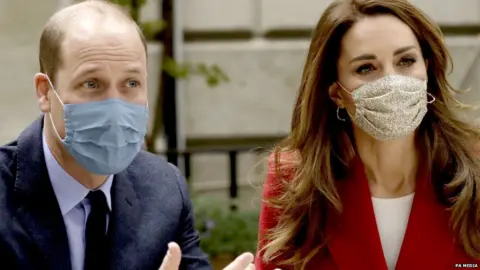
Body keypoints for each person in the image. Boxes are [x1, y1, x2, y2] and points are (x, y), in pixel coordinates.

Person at [0, 1, 255, 270]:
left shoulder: (163, 190)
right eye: (91, 84)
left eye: (131, 83)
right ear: (44, 92)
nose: (115, 106)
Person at [254, 0, 480, 269]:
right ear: (337, 93)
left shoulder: (474, 170)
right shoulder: (294, 181)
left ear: (427, 70)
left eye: (406, 61)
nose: (392, 81)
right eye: (366, 68)